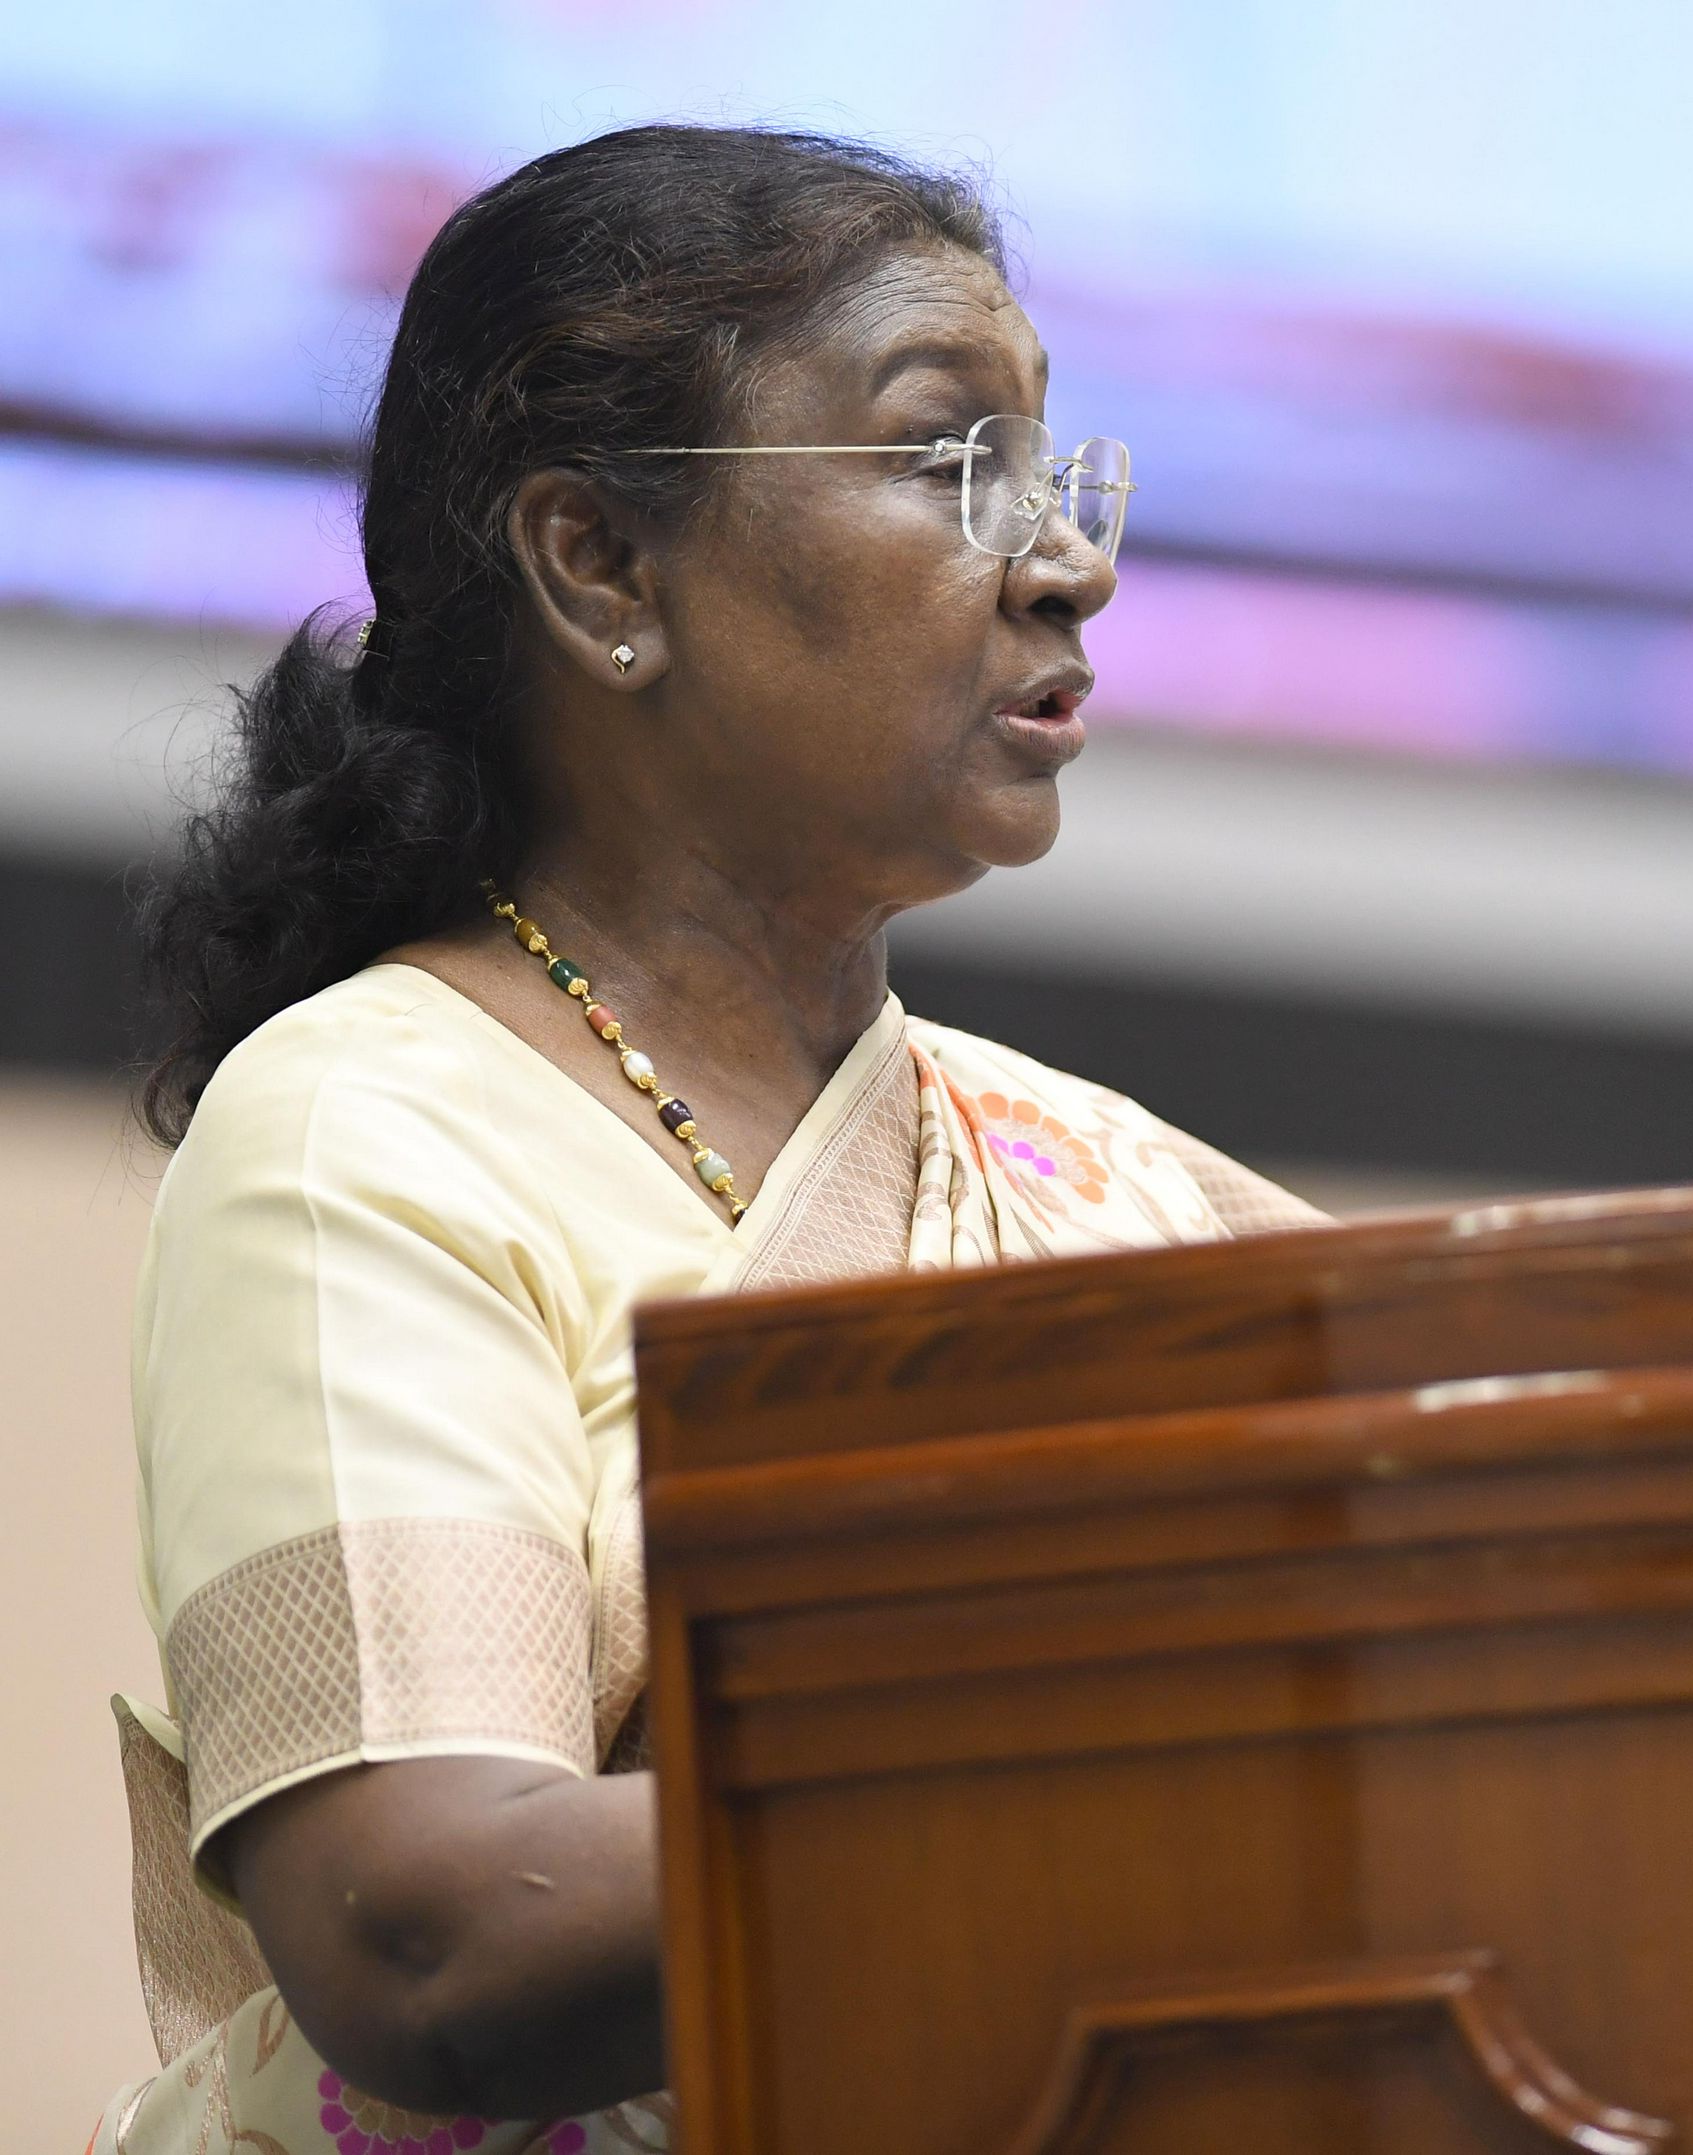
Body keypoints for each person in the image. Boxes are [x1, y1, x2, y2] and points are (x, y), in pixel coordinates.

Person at [94, 123, 1325, 2154]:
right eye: (950, 458)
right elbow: (431, 1933)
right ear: (598, 563)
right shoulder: (369, 1127)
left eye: (1053, 469)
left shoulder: (1109, 1179)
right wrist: (1134, 1765)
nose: (1067, 559)